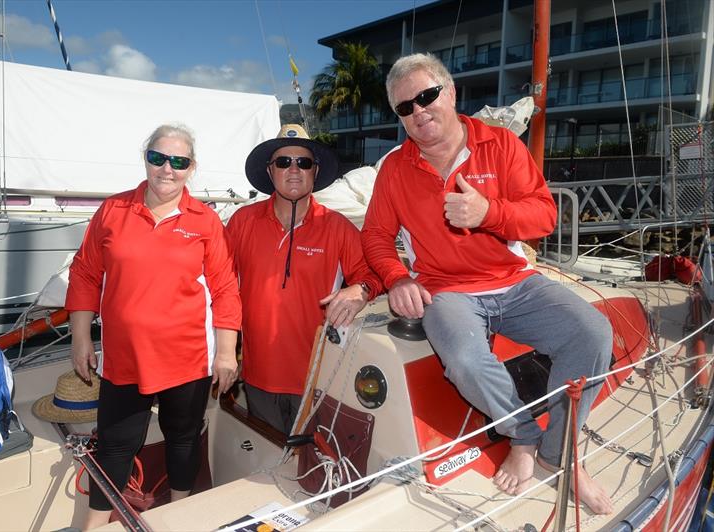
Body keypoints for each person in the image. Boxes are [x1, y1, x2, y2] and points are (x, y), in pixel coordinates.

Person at [361, 53, 614, 515]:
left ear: (450, 92)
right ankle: (523, 436)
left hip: (514, 282)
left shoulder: (499, 145)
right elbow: (376, 235)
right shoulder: (395, 169)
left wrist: (489, 214)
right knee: (464, 360)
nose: (418, 112)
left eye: (426, 96)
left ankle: (561, 453)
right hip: (446, 290)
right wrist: (396, 277)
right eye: (405, 108)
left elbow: (543, 217)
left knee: (592, 333)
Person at [66, 124, 241, 529]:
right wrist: (79, 338)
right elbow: (85, 275)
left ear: (191, 168)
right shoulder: (113, 210)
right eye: (158, 158)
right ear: (145, 158)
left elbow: (226, 291)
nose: (167, 169)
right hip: (126, 359)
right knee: (114, 446)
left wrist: (227, 352)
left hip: (188, 359)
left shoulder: (205, 221)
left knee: (182, 441)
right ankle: (94, 526)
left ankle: (178, 514)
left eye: (178, 161)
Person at [226, 124, 383, 435]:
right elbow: (220, 287)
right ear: (270, 171)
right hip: (257, 376)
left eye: (304, 162)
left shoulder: (337, 227)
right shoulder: (242, 222)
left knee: (311, 470)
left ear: (315, 170)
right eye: (284, 162)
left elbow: (374, 275)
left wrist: (360, 289)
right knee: (267, 464)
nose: (294, 170)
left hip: (318, 379)